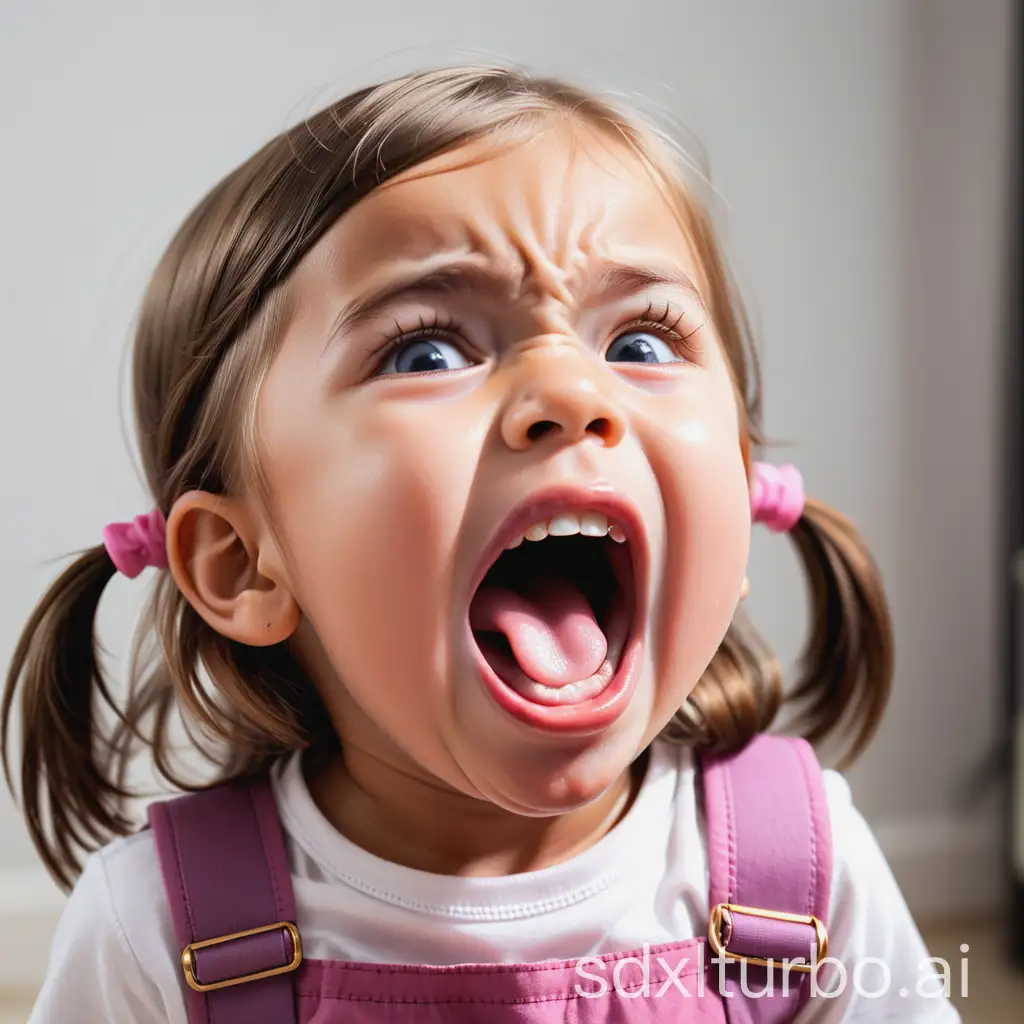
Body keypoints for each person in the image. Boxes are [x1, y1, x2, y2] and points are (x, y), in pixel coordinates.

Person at [2, 64, 960, 1022]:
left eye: (640, 342)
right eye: (427, 352)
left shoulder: (803, 877)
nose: (572, 397)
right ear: (244, 562)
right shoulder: (160, 936)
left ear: (740, 494)